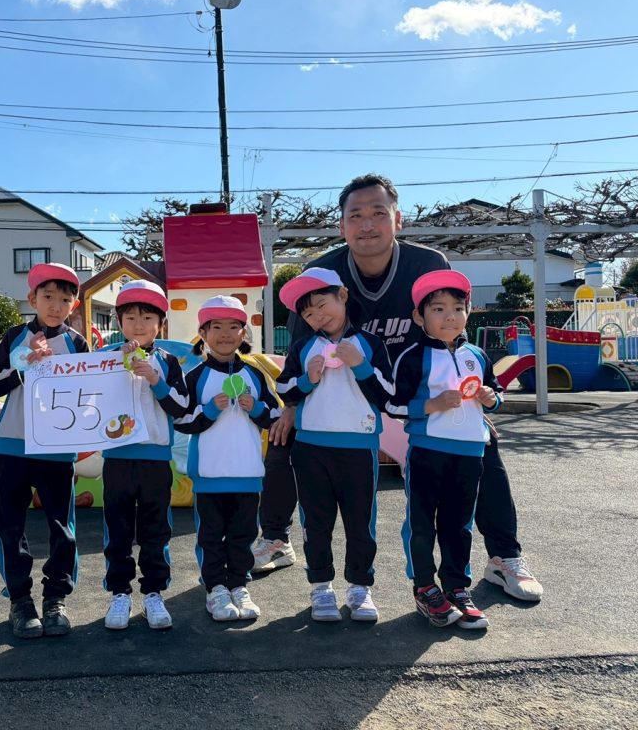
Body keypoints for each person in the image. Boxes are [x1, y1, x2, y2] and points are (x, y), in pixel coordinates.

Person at [274, 173, 544, 602]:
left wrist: (470, 408)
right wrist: (290, 407)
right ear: (341, 225)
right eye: (355, 215)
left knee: (483, 445)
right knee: (284, 436)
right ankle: (275, 538)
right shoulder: (321, 272)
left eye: (378, 213)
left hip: (413, 392)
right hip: (350, 396)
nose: (367, 224)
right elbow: (300, 347)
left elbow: (449, 337)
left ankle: (503, 557)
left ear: (398, 220)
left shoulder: (428, 264)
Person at [276, 268, 393, 623]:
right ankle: (321, 586)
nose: (317, 316)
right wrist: (307, 380)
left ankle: (360, 587)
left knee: (360, 522)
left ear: (342, 295)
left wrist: (361, 366)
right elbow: (283, 389)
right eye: (308, 313)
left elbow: (388, 395)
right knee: (316, 522)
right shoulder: (303, 347)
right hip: (311, 447)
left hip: (359, 447)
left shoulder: (369, 344)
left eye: (321, 304)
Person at [390, 270, 502, 629]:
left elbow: (497, 393)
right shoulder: (412, 357)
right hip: (427, 451)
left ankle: (456, 588)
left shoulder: (478, 355)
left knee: (459, 524)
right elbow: (393, 404)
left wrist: (491, 398)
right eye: (438, 309)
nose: (449, 316)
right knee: (422, 523)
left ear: (468, 313)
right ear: (419, 316)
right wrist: (431, 405)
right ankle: (424, 587)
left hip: (470, 453)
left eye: (457, 308)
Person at [0, 262, 90, 638]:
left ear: (74, 305)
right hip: (14, 444)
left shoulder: (77, 343)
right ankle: (20, 600)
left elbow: (87, 392)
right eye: (48, 297)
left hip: (58, 449)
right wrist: (23, 366)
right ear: (32, 299)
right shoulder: (15, 336)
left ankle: (56, 598)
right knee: (11, 527)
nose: (56, 306)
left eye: (65, 299)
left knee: (62, 527)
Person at [175, 296, 280, 622]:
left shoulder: (255, 375)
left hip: (247, 473)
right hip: (209, 474)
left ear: (243, 333)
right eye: (216, 327)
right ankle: (215, 589)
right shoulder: (195, 376)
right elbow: (181, 420)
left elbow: (275, 416)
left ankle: (238, 585)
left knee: (243, 535)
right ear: (203, 333)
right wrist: (209, 411)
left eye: (233, 327)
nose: (225, 334)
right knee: (210, 537)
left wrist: (257, 408)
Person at [100, 280, 189, 631]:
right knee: (118, 529)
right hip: (117, 458)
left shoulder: (167, 362)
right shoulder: (105, 359)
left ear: (160, 324)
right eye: (131, 317)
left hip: (155, 457)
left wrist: (156, 379)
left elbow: (181, 407)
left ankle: (154, 592)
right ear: (119, 322)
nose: (139, 325)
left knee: (156, 529)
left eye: (147, 317)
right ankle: (119, 593)